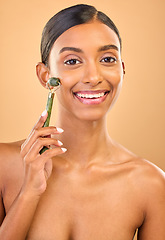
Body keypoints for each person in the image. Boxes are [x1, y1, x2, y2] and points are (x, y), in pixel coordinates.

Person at [0, 4, 164, 240]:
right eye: (72, 61)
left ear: (122, 70)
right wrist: (28, 193)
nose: (93, 77)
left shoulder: (151, 184)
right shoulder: (4, 166)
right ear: (45, 75)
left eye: (107, 59)